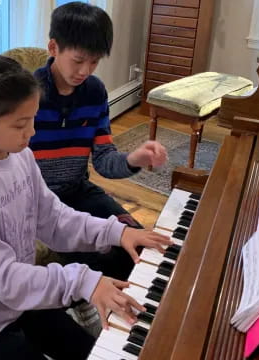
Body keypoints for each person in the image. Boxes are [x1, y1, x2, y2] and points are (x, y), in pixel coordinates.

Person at [0, 54, 171, 360]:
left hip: (17, 303)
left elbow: (53, 219)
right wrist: (83, 280)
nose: (32, 133)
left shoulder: (20, 156)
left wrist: (116, 232)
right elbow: (4, 278)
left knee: (90, 352)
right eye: (20, 125)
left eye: (33, 120)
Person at [31, 2, 168, 281]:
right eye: (78, 60)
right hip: (39, 203)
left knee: (145, 247)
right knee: (109, 259)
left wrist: (133, 159)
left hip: (79, 190)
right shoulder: (28, 94)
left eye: (94, 62)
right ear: (53, 48)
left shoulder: (94, 92)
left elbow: (104, 160)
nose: (85, 70)